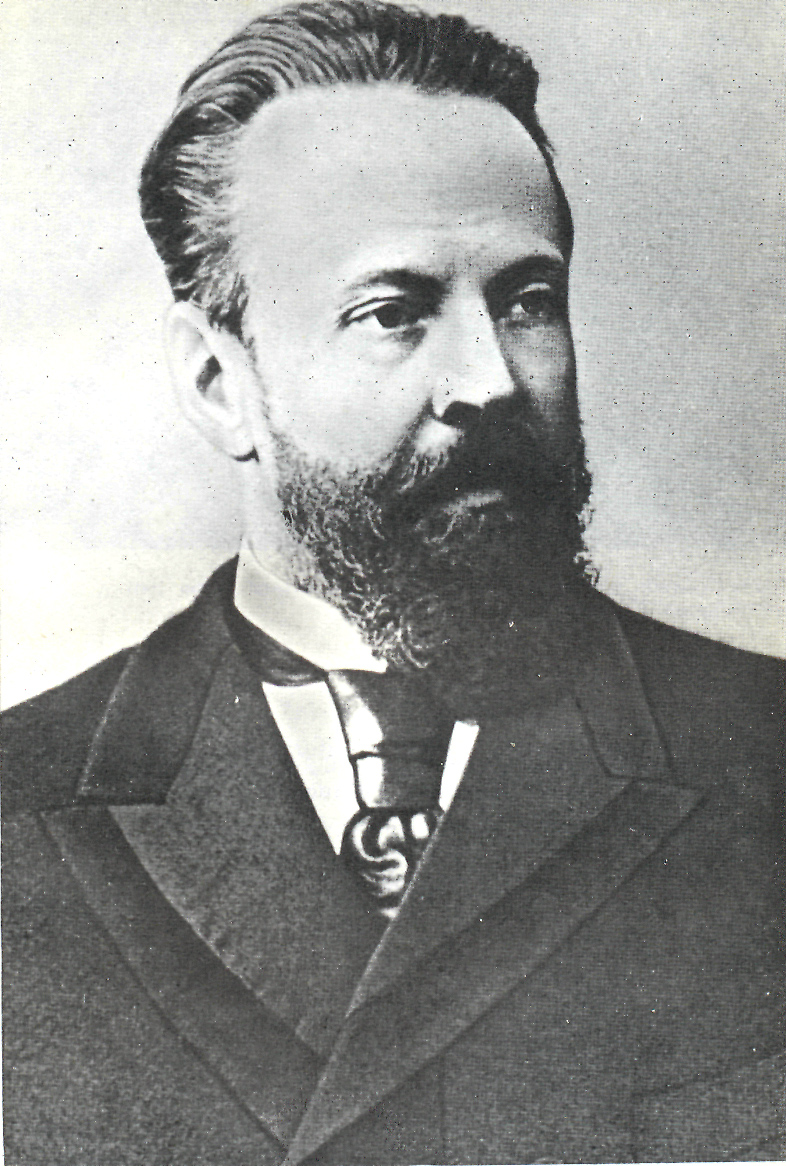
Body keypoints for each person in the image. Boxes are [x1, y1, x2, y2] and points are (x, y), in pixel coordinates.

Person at [2, 2, 782, 1163]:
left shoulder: (764, 757)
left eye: (527, 300)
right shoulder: (22, 805)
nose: (490, 379)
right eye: (394, 314)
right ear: (219, 382)